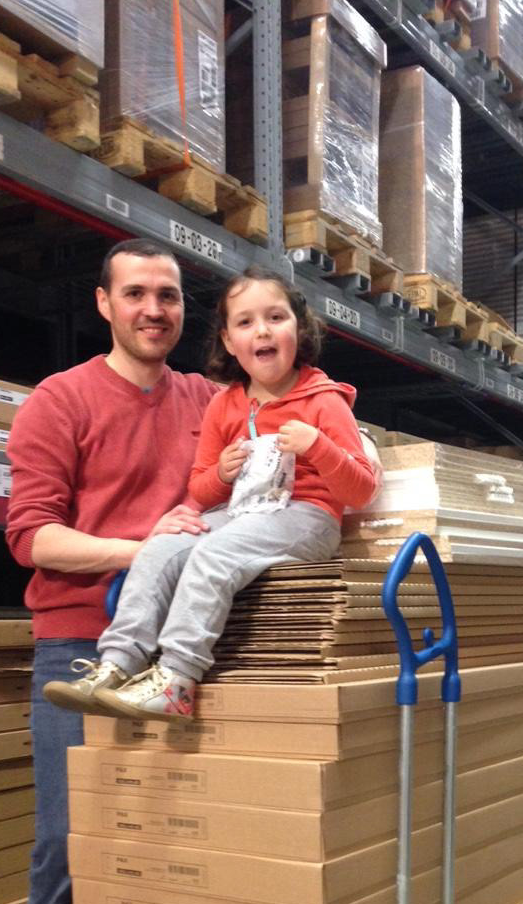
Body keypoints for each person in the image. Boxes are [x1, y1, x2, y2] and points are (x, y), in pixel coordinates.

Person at [5, 238, 220, 904]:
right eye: (136, 294)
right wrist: (147, 550)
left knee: (165, 834)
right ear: (104, 303)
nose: (153, 310)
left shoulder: (205, 400)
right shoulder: (60, 401)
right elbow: (33, 536)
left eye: (168, 296)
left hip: (182, 651)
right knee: (68, 838)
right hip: (79, 645)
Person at [43, 265, 379, 722]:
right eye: (245, 322)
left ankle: (177, 679)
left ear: (299, 329)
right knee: (160, 548)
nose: (262, 331)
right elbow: (199, 488)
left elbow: (361, 490)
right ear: (228, 340)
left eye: (276, 317)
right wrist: (221, 473)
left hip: (308, 517)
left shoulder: (323, 399)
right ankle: (118, 665)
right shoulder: (224, 404)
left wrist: (317, 446)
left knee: (213, 554)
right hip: (244, 513)